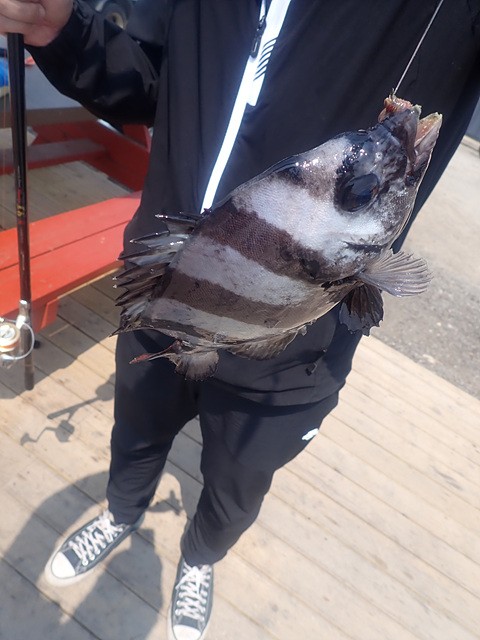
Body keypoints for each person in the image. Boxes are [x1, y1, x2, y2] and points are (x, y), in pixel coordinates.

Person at [1, 1, 479, 638]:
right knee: (134, 437)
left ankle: (200, 558)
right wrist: (64, 34)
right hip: (163, 299)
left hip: (297, 354)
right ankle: (120, 512)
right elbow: (150, 77)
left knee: (237, 485)